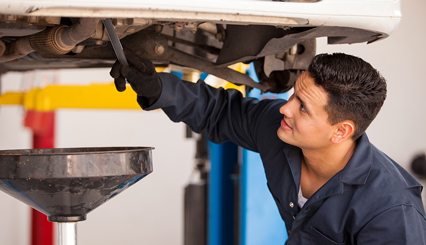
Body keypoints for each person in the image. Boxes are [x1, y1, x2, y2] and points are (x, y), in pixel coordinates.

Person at [110, 50, 426, 244]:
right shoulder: (280, 128)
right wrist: (158, 88)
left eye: (303, 107)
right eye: (294, 96)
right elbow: (218, 112)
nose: (285, 109)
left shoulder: (391, 212)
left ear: (340, 132)